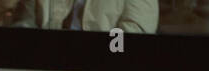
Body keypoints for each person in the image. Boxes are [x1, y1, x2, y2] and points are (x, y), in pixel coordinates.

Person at [14, 0, 158, 31]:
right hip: (46, 65)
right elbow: (25, 22)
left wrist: (109, 51)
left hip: (107, 70)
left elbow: (135, 31)